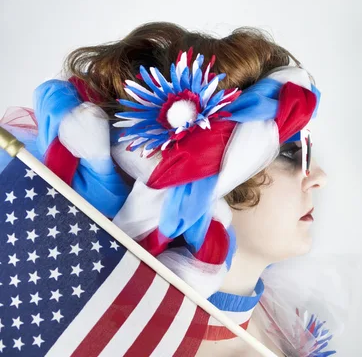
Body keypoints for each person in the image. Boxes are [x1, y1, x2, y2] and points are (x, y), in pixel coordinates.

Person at [1, 22, 341, 356]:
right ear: (203, 185)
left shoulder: (282, 321)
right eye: (290, 153)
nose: (318, 176)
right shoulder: (132, 344)